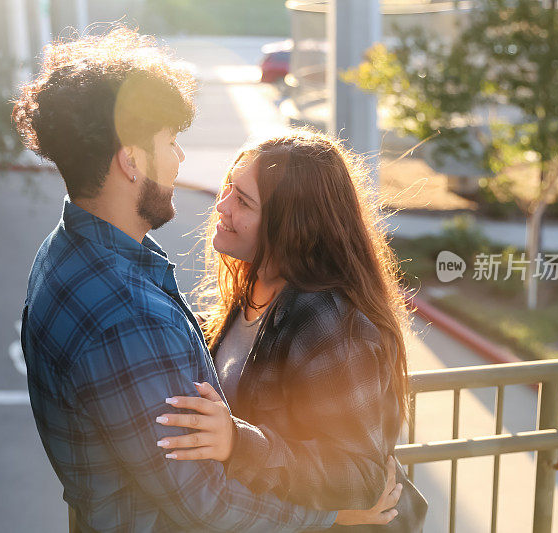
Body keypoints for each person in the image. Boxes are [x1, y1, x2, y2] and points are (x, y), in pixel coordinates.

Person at [14, 26, 400, 532]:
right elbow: (209, 507)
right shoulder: (130, 317)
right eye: (170, 142)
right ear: (130, 161)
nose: (179, 159)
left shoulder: (61, 254)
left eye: (243, 199)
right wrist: (337, 515)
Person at [156, 131, 420, 530]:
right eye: (229, 187)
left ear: (291, 225)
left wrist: (237, 443)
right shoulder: (253, 288)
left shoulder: (329, 322)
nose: (222, 205)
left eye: (243, 200)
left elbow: (361, 477)